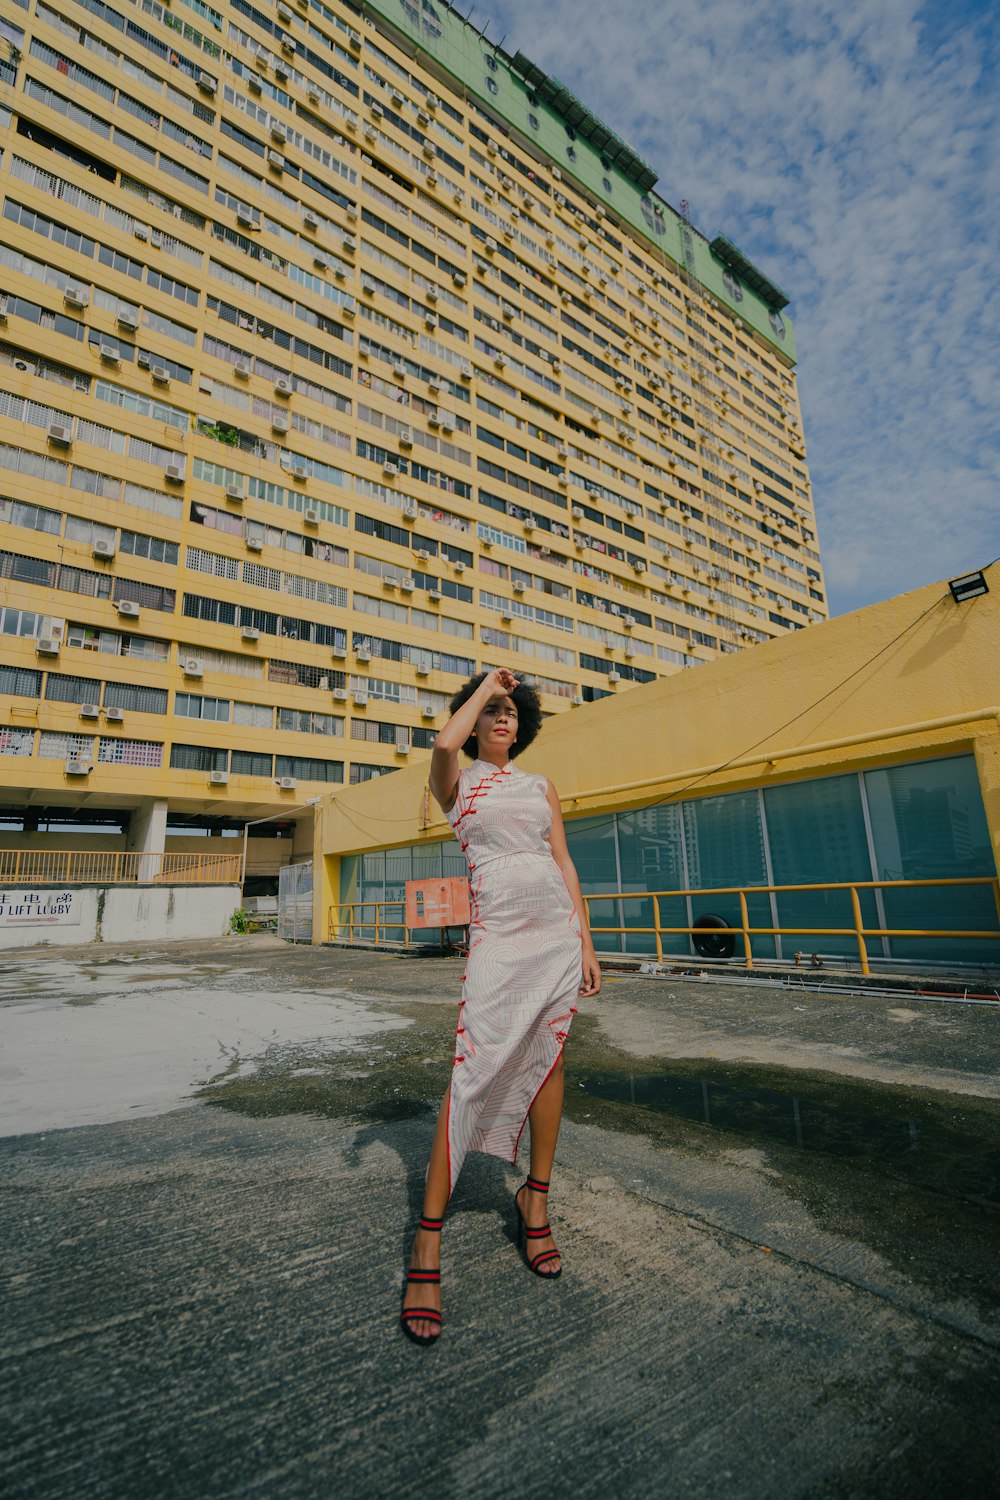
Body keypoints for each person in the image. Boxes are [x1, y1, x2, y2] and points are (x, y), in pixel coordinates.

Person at [400, 667, 602, 1345]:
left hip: (553, 934)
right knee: (472, 1067)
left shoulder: (539, 786)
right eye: (494, 711)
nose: (504, 718)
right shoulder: (456, 783)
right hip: (498, 938)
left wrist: (587, 940)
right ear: (478, 718)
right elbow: (440, 744)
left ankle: (535, 1201)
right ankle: (428, 1242)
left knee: (548, 1061)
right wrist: (486, 684)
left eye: (513, 711)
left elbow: (563, 861)